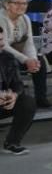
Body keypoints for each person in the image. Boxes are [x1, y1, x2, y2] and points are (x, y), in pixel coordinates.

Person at [0, 0, 50, 108]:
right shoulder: (1, 18)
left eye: (24, 3)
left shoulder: (25, 18)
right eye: (17, 3)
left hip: (16, 54)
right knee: (11, 61)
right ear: (7, 4)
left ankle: (41, 98)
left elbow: (29, 43)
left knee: (40, 61)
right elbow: (4, 45)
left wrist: (32, 59)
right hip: (2, 54)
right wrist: (25, 60)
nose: (21, 6)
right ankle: (14, 99)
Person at [0, 25, 37, 155]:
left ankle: (12, 142)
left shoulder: (7, 57)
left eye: (1, 40)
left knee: (27, 102)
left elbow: (18, 84)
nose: (1, 44)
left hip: (4, 100)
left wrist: (14, 95)